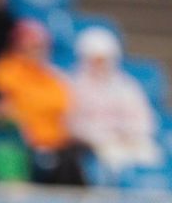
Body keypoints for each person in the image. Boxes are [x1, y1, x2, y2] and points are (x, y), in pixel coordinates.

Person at [0, 19, 85, 185]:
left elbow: (65, 112)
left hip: (56, 144)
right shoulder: (3, 73)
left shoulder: (54, 78)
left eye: (40, 46)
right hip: (23, 140)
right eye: (31, 46)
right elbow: (0, 109)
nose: (37, 52)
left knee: (72, 160)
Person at [69, 27, 161, 175]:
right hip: (96, 144)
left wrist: (129, 134)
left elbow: (144, 120)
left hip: (129, 141)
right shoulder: (72, 86)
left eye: (103, 60)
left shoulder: (127, 86)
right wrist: (100, 136)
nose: (99, 65)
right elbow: (73, 123)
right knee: (111, 158)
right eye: (95, 60)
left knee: (150, 156)